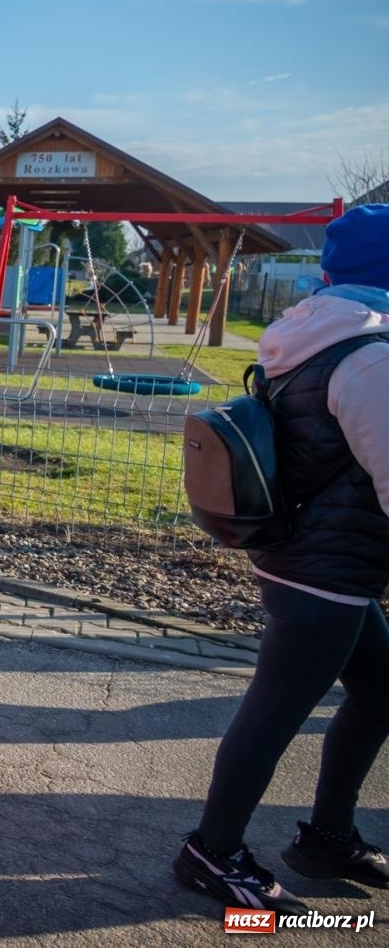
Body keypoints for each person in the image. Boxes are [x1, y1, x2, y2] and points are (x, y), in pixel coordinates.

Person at [173, 203, 389, 916]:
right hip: (324, 571)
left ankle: (328, 838)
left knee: (381, 691)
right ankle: (213, 851)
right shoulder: (369, 358)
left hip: (315, 556)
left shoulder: (314, 336)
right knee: (272, 715)